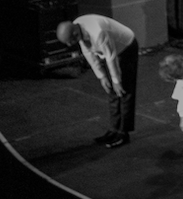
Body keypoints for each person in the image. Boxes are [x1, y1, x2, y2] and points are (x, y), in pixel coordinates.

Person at [57, 14, 138, 149]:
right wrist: (102, 76)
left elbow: (111, 56)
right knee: (111, 91)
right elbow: (88, 52)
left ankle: (123, 133)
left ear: (75, 34)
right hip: (110, 49)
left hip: (125, 47)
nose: (69, 45)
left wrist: (116, 80)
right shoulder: (77, 26)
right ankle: (114, 129)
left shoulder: (97, 32)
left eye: (69, 41)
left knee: (123, 90)